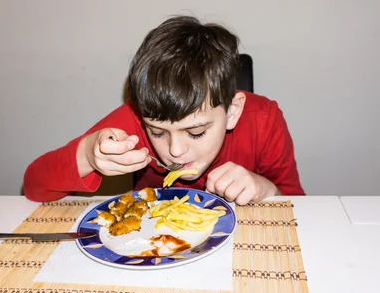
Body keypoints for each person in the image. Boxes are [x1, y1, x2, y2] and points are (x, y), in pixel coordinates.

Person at [23, 15, 305, 204]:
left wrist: (268, 190)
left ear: (232, 112)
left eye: (195, 132)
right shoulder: (135, 120)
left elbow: (300, 208)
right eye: (157, 132)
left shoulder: (264, 121)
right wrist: (87, 155)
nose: (175, 151)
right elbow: (34, 186)